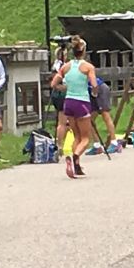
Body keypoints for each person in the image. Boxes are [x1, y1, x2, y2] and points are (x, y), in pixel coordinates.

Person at [48, 35, 97, 178]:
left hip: (68, 101)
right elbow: (94, 85)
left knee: (76, 135)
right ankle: (75, 156)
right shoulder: (88, 67)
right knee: (85, 138)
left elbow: (53, 84)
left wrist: (66, 88)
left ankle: (76, 165)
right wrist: (94, 92)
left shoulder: (66, 66)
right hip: (82, 102)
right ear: (84, 52)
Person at [87, 76, 119, 152]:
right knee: (89, 119)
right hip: (90, 92)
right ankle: (97, 145)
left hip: (99, 88)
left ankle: (114, 143)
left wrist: (94, 93)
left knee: (105, 115)